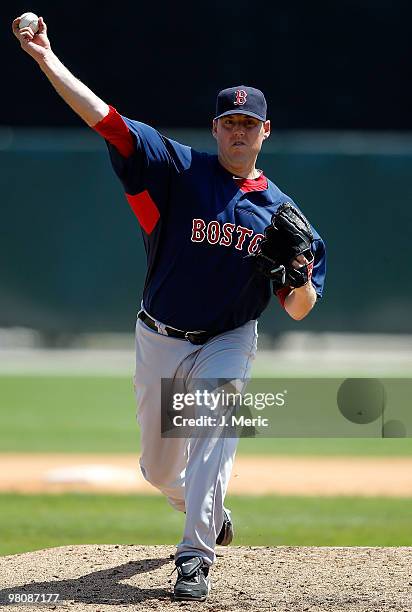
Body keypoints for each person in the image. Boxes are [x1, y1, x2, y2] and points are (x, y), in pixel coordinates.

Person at [13, 15, 326, 602]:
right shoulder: (181, 169)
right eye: (230, 123)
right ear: (215, 128)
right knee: (157, 471)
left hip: (227, 340)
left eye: (249, 124)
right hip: (159, 336)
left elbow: (301, 308)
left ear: (266, 132)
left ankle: (194, 557)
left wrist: (295, 271)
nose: (239, 132)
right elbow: (106, 120)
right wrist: (45, 59)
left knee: (213, 428)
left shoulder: (283, 215)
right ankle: (207, 511)